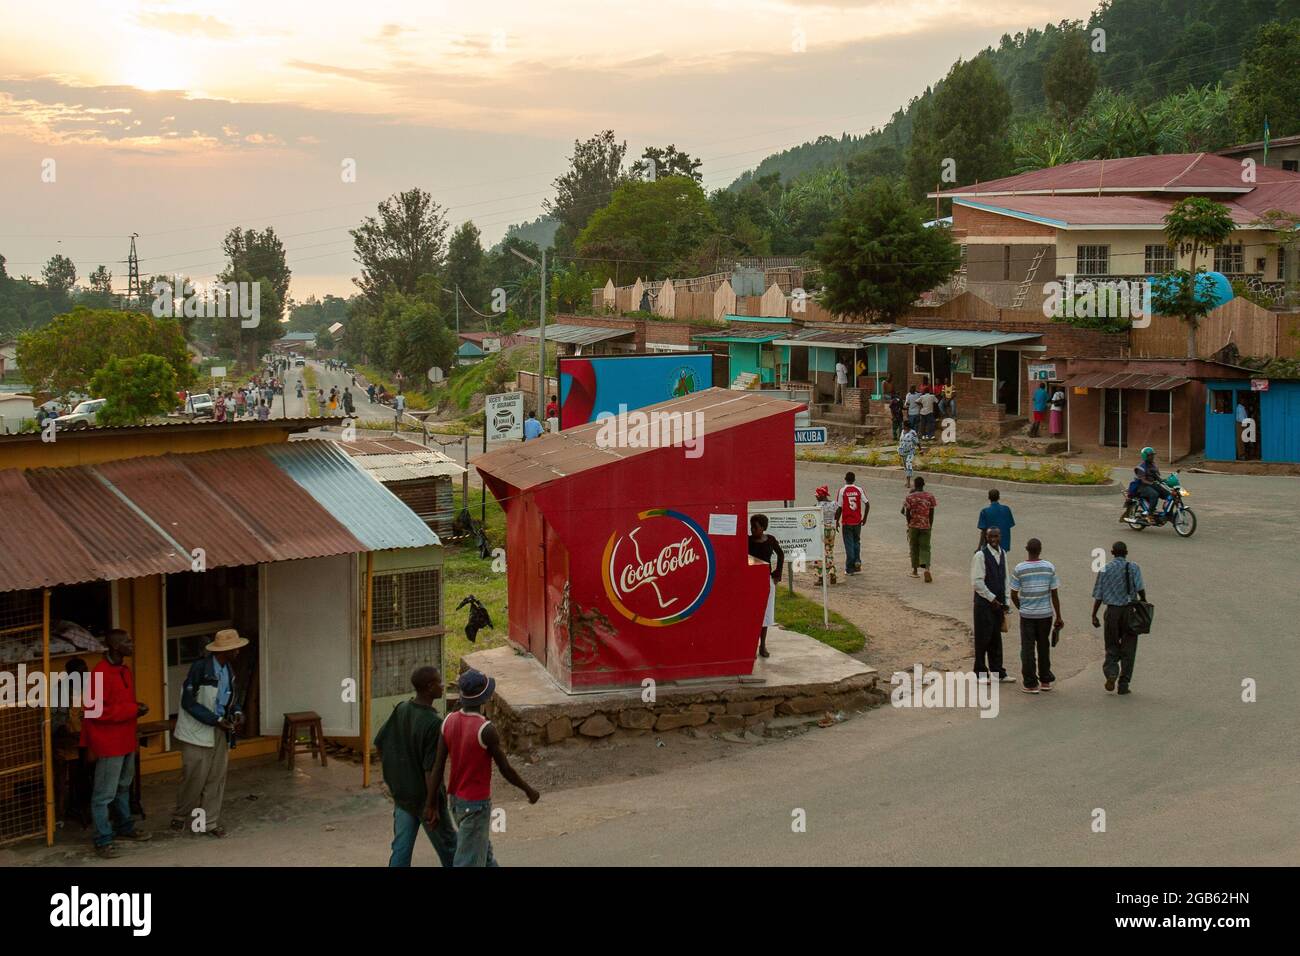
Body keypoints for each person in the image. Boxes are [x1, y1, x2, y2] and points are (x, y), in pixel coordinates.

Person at [430, 668, 540, 866]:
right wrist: (528, 790)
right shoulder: (486, 729)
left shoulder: (448, 721)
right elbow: (505, 769)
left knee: (483, 855)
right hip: (476, 805)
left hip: (455, 802)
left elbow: (438, 766)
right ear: (485, 697)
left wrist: (431, 804)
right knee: (469, 861)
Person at [375, 666, 456, 867]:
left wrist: (395, 777)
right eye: (439, 682)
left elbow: (380, 744)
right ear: (429, 687)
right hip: (425, 800)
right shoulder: (433, 723)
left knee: (401, 850)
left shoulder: (402, 708)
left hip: (403, 796)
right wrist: (432, 805)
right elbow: (431, 770)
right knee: (450, 850)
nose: (443, 685)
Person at [81, 629, 152, 858]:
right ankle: (102, 839)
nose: (132, 644)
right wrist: (133, 709)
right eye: (126, 642)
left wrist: (135, 709)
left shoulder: (124, 670)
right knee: (104, 794)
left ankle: (124, 828)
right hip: (109, 742)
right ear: (114, 646)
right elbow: (93, 711)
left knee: (123, 787)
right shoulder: (99, 674)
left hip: (126, 738)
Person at [171, 628, 246, 838]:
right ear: (226, 651)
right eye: (235, 649)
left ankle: (209, 822)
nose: (238, 652)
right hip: (198, 730)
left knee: (216, 777)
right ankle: (180, 814)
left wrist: (237, 712)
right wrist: (216, 720)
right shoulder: (200, 668)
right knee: (194, 777)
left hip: (220, 730)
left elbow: (232, 698)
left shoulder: (228, 670)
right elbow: (188, 702)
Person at [1092, 541, 1145, 695]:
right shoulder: (1133, 567)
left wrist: (1094, 614)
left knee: (1111, 645)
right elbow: (1141, 589)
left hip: (1112, 612)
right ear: (1126, 552)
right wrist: (1143, 605)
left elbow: (1099, 595)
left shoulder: (1105, 568)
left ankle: (1112, 672)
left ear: (1112, 552)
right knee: (1129, 648)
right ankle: (1124, 683)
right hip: (1129, 611)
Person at [1010, 538, 1063, 694]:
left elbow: (1013, 594)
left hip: (1027, 615)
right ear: (1040, 550)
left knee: (1027, 649)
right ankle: (1045, 680)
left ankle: (1030, 683)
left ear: (1027, 549)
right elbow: (1054, 594)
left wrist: (1022, 607)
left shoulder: (1020, 568)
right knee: (1043, 646)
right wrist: (1059, 616)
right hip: (1045, 615)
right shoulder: (1049, 567)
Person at [971, 526, 1013, 683]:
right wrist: (991, 598)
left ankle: (998, 672)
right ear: (986, 538)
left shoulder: (1003, 554)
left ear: (1000, 537)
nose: (994, 540)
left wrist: (1006, 601)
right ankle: (980, 673)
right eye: (991, 537)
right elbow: (977, 582)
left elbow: (1006, 579)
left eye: (996, 536)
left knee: (996, 638)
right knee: (983, 638)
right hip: (983, 604)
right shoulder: (981, 555)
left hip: (998, 604)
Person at [747, 514, 785, 658]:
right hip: (750, 581)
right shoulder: (747, 540)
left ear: (763, 528)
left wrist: (777, 573)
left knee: (766, 614)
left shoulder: (770, 540)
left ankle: (762, 645)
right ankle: (751, 645)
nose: (752, 530)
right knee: (752, 614)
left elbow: (781, 555)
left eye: (755, 527)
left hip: (766, 580)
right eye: (751, 527)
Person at [902, 476, 937, 581]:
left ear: (914, 485)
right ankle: (927, 569)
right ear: (923, 485)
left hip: (913, 525)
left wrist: (909, 524)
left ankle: (915, 571)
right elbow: (931, 513)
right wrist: (930, 524)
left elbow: (907, 513)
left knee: (914, 547)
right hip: (926, 525)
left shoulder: (910, 497)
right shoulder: (930, 496)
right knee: (926, 548)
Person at [834, 471, 868, 575]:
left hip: (847, 522)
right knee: (856, 542)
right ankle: (857, 561)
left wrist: (836, 521)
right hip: (857, 521)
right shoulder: (859, 489)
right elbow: (867, 504)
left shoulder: (842, 490)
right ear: (854, 479)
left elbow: (839, 507)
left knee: (849, 545)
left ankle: (850, 568)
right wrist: (865, 518)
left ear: (845, 479)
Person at [1129, 447, 1169, 521]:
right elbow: (1143, 480)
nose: (1152, 457)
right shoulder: (1141, 467)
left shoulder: (1153, 465)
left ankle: (1168, 512)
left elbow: (1156, 476)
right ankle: (1150, 515)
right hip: (1141, 487)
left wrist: (1165, 481)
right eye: (1150, 455)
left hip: (1151, 484)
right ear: (1145, 456)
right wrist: (1153, 483)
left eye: (1153, 455)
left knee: (1169, 494)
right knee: (1154, 494)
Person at [812, 486, 837, 587]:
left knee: (820, 553)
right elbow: (839, 511)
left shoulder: (817, 506)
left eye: (817, 496)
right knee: (829, 551)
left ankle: (821, 577)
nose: (816, 498)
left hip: (821, 530)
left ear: (821, 496)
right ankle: (832, 573)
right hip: (831, 529)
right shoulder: (834, 504)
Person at [977, 488, 1016, 552]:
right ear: (999, 497)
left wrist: (979, 547)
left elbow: (983, 531)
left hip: (990, 545)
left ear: (989, 498)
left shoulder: (985, 511)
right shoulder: (1006, 509)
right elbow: (1010, 525)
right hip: (1004, 544)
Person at [897, 421, 920, 489]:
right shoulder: (902, 432)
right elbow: (901, 441)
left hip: (910, 451)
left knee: (908, 465)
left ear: (906, 426)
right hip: (903, 452)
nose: (902, 426)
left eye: (903, 425)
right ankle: (907, 481)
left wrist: (920, 449)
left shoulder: (912, 432)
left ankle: (908, 482)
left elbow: (917, 442)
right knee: (905, 467)